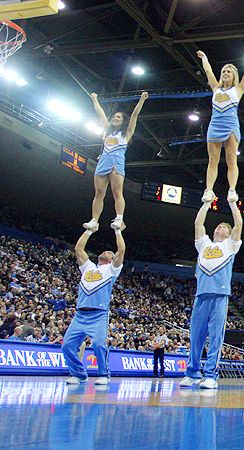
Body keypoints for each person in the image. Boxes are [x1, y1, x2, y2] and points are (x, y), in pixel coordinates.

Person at [180, 197, 244, 389]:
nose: (219, 227)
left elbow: (239, 223)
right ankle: (192, 373)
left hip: (220, 295)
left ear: (229, 234)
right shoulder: (204, 244)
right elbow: (198, 223)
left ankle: (210, 375)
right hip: (201, 295)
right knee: (196, 336)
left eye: (223, 227)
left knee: (216, 336)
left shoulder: (230, 245)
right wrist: (206, 204)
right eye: (217, 226)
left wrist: (233, 204)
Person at [196, 47, 244, 204]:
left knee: (231, 160)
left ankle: (232, 190)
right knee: (213, 159)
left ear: (233, 75)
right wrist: (204, 58)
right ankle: (209, 190)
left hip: (230, 125)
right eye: (223, 71)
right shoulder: (215, 87)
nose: (225, 74)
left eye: (228, 72)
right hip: (215, 124)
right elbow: (208, 72)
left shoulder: (239, 88)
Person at [61, 225, 126, 385]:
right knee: (67, 346)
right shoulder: (88, 267)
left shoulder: (112, 270)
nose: (104, 252)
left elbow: (121, 250)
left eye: (108, 253)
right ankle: (79, 374)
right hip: (80, 314)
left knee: (98, 344)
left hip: (98, 314)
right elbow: (78, 249)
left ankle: (104, 375)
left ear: (111, 260)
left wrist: (118, 231)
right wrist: (89, 231)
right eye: (103, 252)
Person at [82, 92, 148, 232]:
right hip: (103, 161)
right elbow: (100, 114)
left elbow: (135, 115)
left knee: (117, 192)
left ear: (124, 121)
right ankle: (94, 221)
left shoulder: (126, 133)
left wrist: (142, 99)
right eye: (114, 116)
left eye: (118, 117)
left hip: (116, 162)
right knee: (99, 193)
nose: (115, 118)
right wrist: (95, 99)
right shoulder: (107, 131)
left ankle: (119, 218)